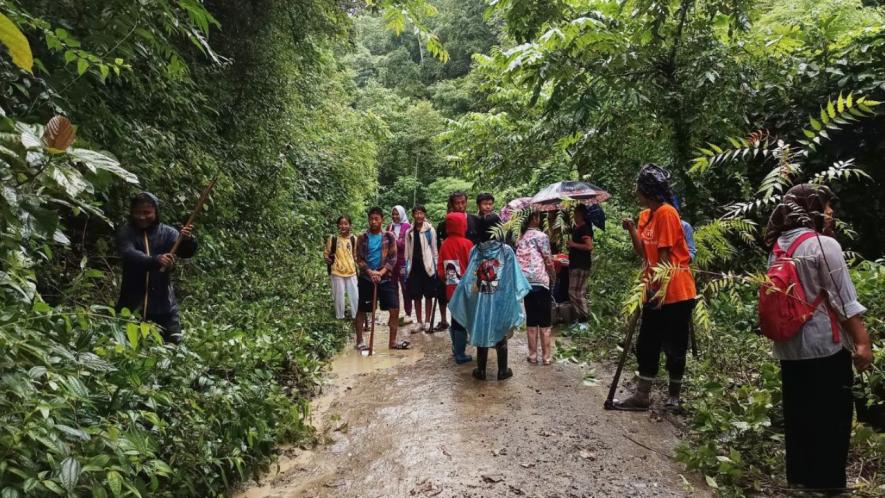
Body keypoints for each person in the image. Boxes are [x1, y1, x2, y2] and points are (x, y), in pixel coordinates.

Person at [763, 183, 872, 491]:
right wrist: (862, 343)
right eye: (826, 206)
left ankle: (800, 480)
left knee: (799, 417)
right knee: (833, 419)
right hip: (824, 345)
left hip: (789, 347)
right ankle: (829, 485)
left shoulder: (778, 245)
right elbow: (843, 299)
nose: (831, 212)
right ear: (810, 209)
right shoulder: (823, 245)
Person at [616, 164, 696, 410]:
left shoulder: (667, 213)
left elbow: (663, 258)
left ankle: (674, 396)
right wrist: (632, 230)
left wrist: (656, 289)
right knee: (646, 344)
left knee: (674, 345)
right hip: (653, 289)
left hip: (675, 291)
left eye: (637, 187)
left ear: (646, 190)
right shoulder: (645, 216)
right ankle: (642, 396)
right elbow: (643, 251)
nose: (634, 191)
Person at [450, 214, 530, 380]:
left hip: (481, 299)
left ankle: (481, 370)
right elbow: (513, 276)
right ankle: (502, 370)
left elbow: (469, 278)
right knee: (500, 332)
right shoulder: (506, 250)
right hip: (501, 299)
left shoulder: (476, 250)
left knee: (482, 330)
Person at [116, 192, 197, 344]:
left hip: (164, 307)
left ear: (156, 212)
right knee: (131, 351)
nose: (141, 217)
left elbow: (187, 252)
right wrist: (156, 260)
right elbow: (129, 253)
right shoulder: (126, 233)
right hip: (132, 306)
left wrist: (187, 240)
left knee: (174, 347)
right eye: (137, 213)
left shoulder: (168, 232)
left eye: (147, 213)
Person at [355, 207, 409, 350]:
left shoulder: (389, 236)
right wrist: (370, 272)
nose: (373, 222)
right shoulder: (362, 237)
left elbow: (393, 258)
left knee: (394, 309)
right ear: (368, 220)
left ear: (382, 220)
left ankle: (392, 341)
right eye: (371, 219)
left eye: (376, 219)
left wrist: (381, 272)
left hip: (386, 278)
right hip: (367, 278)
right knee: (361, 309)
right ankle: (359, 341)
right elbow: (359, 259)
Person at [516, 210, 556, 364]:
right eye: (539, 216)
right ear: (534, 218)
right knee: (545, 319)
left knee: (531, 319)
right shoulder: (541, 236)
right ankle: (546, 357)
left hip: (525, 283)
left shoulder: (521, 238)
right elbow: (548, 260)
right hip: (540, 281)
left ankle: (532, 355)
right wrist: (553, 275)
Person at [438, 212, 474, 363]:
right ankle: (460, 353)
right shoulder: (467, 244)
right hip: (465, 289)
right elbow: (473, 267)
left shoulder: (444, 244)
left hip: (450, 288)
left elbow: (440, 269)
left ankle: (456, 348)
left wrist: (447, 280)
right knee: (463, 321)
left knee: (455, 318)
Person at [405, 205, 438, 332]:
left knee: (428, 295)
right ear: (413, 215)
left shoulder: (430, 230)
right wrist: (406, 267)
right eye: (416, 213)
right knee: (416, 295)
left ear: (424, 215)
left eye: (421, 213)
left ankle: (428, 321)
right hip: (414, 267)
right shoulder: (409, 232)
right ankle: (419, 322)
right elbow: (407, 252)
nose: (419, 216)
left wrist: (435, 266)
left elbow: (435, 250)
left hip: (428, 267)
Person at [324, 216, 358, 320]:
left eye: (345, 223)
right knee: (338, 298)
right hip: (337, 272)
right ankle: (339, 319)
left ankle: (356, 318)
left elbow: (355, 255)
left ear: (350, 225)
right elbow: (326, 253)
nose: (343, 226)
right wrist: (327, 259)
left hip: (351, 272)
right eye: (341, 224)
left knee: (355, 297)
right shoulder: (333, 239)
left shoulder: (354, 239)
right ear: (338, 225)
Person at [567, 204, 594, 322]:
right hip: (575, 263)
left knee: (576, 292)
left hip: (581, 265)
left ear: (581, 215)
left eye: (576, 214)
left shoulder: (585, 228)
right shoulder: (577, 228)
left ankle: (584, 317)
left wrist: (573, 245)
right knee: (575, 292)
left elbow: (589, 246)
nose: (574, 216)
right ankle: (581, 317)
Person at [388, 205, 413, 323]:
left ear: (402, 214)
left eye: (397, 214)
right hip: (392, 262)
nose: (395, 216)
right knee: (392, 287)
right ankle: (395, 312)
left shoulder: (408, 227)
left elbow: (404, 245)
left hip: (403, 261)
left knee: (405, 287)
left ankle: (408, 313)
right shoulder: (389, 226)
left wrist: (393, 237)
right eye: (393, 214)